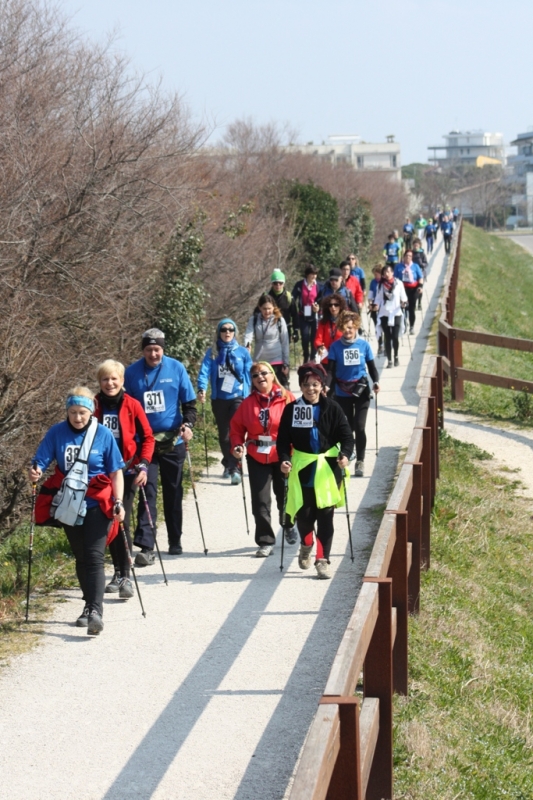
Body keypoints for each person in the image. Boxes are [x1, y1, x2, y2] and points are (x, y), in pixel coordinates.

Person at [30, 387, 125, 635]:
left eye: (82, 412)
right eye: (72, 412)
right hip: (70, 503)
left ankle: (96, 611)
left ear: (91, 411)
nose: (78, 418)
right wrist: (36, 470)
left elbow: (116, 471)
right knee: (81, 557)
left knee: (94, 556)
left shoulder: (103, 434)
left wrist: (119, 502)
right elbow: (41, 459)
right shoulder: (57, 433)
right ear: (67, 412)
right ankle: (87, 605)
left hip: (97, 503)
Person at [124, 328, 197, 563]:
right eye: (148, 349)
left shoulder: (176, 368)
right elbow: (124, 407)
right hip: (144, 443)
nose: (153, 354)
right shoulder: (131, 373)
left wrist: (188, 425)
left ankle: (175, 539)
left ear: (163, 349)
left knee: (173, 490)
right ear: (143, 350)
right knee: (148, 491)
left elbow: (189, 403)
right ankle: (146, 546)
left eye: (157, 349)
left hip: (172, 439)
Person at [277, 363, 353, 580]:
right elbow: (283, 441)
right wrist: (284, 459)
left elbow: (347, 437)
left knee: (326, 517)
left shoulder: (333, 408)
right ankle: (306, 544)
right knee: (305, 517)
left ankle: (322, 559)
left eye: (315, 384)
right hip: (303, 468)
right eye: (306, 384)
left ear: (322, 385)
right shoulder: (292, 409)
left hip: (328, 469)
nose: (310, 388)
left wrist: (345, 455)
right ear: (300, 386)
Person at [94, 360, 155, 597]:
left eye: (114, 379)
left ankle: (125, 576)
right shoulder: (94, 405)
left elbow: (148, 437)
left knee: (122, 518)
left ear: (122, 381)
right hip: (101, 474)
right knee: (109, 521)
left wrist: (144, 466)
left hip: (128, 471)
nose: (110, 383)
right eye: (105, 379)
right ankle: (117, 571)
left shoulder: (132, 405)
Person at [230, 362, 296, 556]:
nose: (260, 377)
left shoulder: (287, 398)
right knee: (260, 500)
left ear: (272, 375)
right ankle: (265, 540)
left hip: (282, 454)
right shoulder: (247, 403)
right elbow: (236, 429)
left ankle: (288, 524)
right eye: (255, 375)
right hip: (257, 455)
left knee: (284, 495)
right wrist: (236, 445)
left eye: (264, 373)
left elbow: (298, 425)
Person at [197, 318, 253, 485]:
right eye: (224, 329)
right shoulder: (212, 352)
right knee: (224, 435)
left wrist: (252, 392)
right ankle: (228, 462)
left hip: (238, 397)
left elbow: (250, 373)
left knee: (235, 432)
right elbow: (204, 371)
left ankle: (235, 467)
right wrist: (201, 388)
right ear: (219, 333)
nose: (227, 332)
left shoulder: (243, 352)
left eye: (230, 329)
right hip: (219, 399)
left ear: (235, 332)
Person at [327, 311, 380, 477]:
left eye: (351, 327)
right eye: (345, 328)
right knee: (347, 428)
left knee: (360, 426)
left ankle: (360, 461)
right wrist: (326, 386)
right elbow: (330, 370)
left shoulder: (364, 345)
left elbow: (372, 367)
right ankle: (348, 454)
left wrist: (376, 382)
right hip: (342, 392)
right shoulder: (335, 347)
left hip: (361, 390)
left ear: (356, 327)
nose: (348, 331)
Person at [245, 294, 290, 388]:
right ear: (259, 308)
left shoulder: (279, 320)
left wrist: (286, 363)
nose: (267, 311)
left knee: (277, 390)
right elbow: (248, 335)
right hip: (259, 360)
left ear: (274, 307)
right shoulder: (254, 320)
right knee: (261, 390)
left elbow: (285, 343)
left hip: (277, 360)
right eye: (264, 308)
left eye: (269, 308)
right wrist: (247, 345)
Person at [373, 264, 407, 368]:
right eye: (385, 272)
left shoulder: (399, 284)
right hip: (384, 313)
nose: (387, 274)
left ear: (392, 272)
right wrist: (375, 306)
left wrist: (403, 303)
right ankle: (390, 360)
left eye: (389, 272)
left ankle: (396, 356)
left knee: (395, 337)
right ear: (382, 274)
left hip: (396, 313)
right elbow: (378, 298)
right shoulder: (380, 285)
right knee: (387, 337)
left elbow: (404, 297)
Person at [292, 264, 323, 363]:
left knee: (314, 337)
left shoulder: (319, 286)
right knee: (305, 337)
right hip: (303, 315)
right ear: (307, 274)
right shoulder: (299, 285)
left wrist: (318, 307)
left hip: (315, 315)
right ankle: (306, 355)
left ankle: (313, 357)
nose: (314, 276)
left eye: (315, 274)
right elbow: (293, 298)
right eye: (312, 274)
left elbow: (322, 299)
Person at [394, 250, 424, 334]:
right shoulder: (398, 266)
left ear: (412, 257)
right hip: (402, 289)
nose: (408, 257)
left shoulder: (415, 266)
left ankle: (411, 326)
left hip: (413, 290)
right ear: (404, 256)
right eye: (406, 255)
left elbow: (420, 277)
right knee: (403, 308)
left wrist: (420, 287)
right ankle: (404, 324)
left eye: (410, 256)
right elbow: (394, 278)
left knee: (411, 308)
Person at [268, 270, 299, 344]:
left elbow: (294, 314)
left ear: (284, 284)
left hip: (285, 329)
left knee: (284, 353)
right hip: (269, 329)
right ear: (272, 284)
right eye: (275, 283)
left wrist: (296, 331)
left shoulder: (289, 296)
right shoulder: (266, 296)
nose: (278, 285)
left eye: (280, 283)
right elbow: (258, 313)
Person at [314, 293, 347, 364]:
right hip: (327, 359)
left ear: (341, 306)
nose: (333, 307)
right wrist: (320, 347)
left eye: (336, 305)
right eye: (330, 305)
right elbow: (318, 339)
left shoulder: (346, 322)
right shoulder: (323, 322)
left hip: (342, 359)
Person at [367, 265, 383, 356]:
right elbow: (370, 295)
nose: (375, 276)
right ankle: (380, 345)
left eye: (377, 274)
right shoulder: (373, 282)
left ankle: (386, 343)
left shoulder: (385, 282)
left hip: (383, 308)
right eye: (374, 274)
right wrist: (370, 304)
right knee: (377, 327)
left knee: (384, 327)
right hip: (374, 308)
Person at [412, 238, 429, 311]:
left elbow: (426, 263)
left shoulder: (422, 253)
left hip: (421, 274)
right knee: (413, 290)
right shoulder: (411, 253)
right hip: (412, 274)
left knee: (420, 289)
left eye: (417, 245)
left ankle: (419, 303)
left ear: (419, 246)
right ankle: (414, 303)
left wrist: (421, 264)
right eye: (414, 245)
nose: (415, 246)